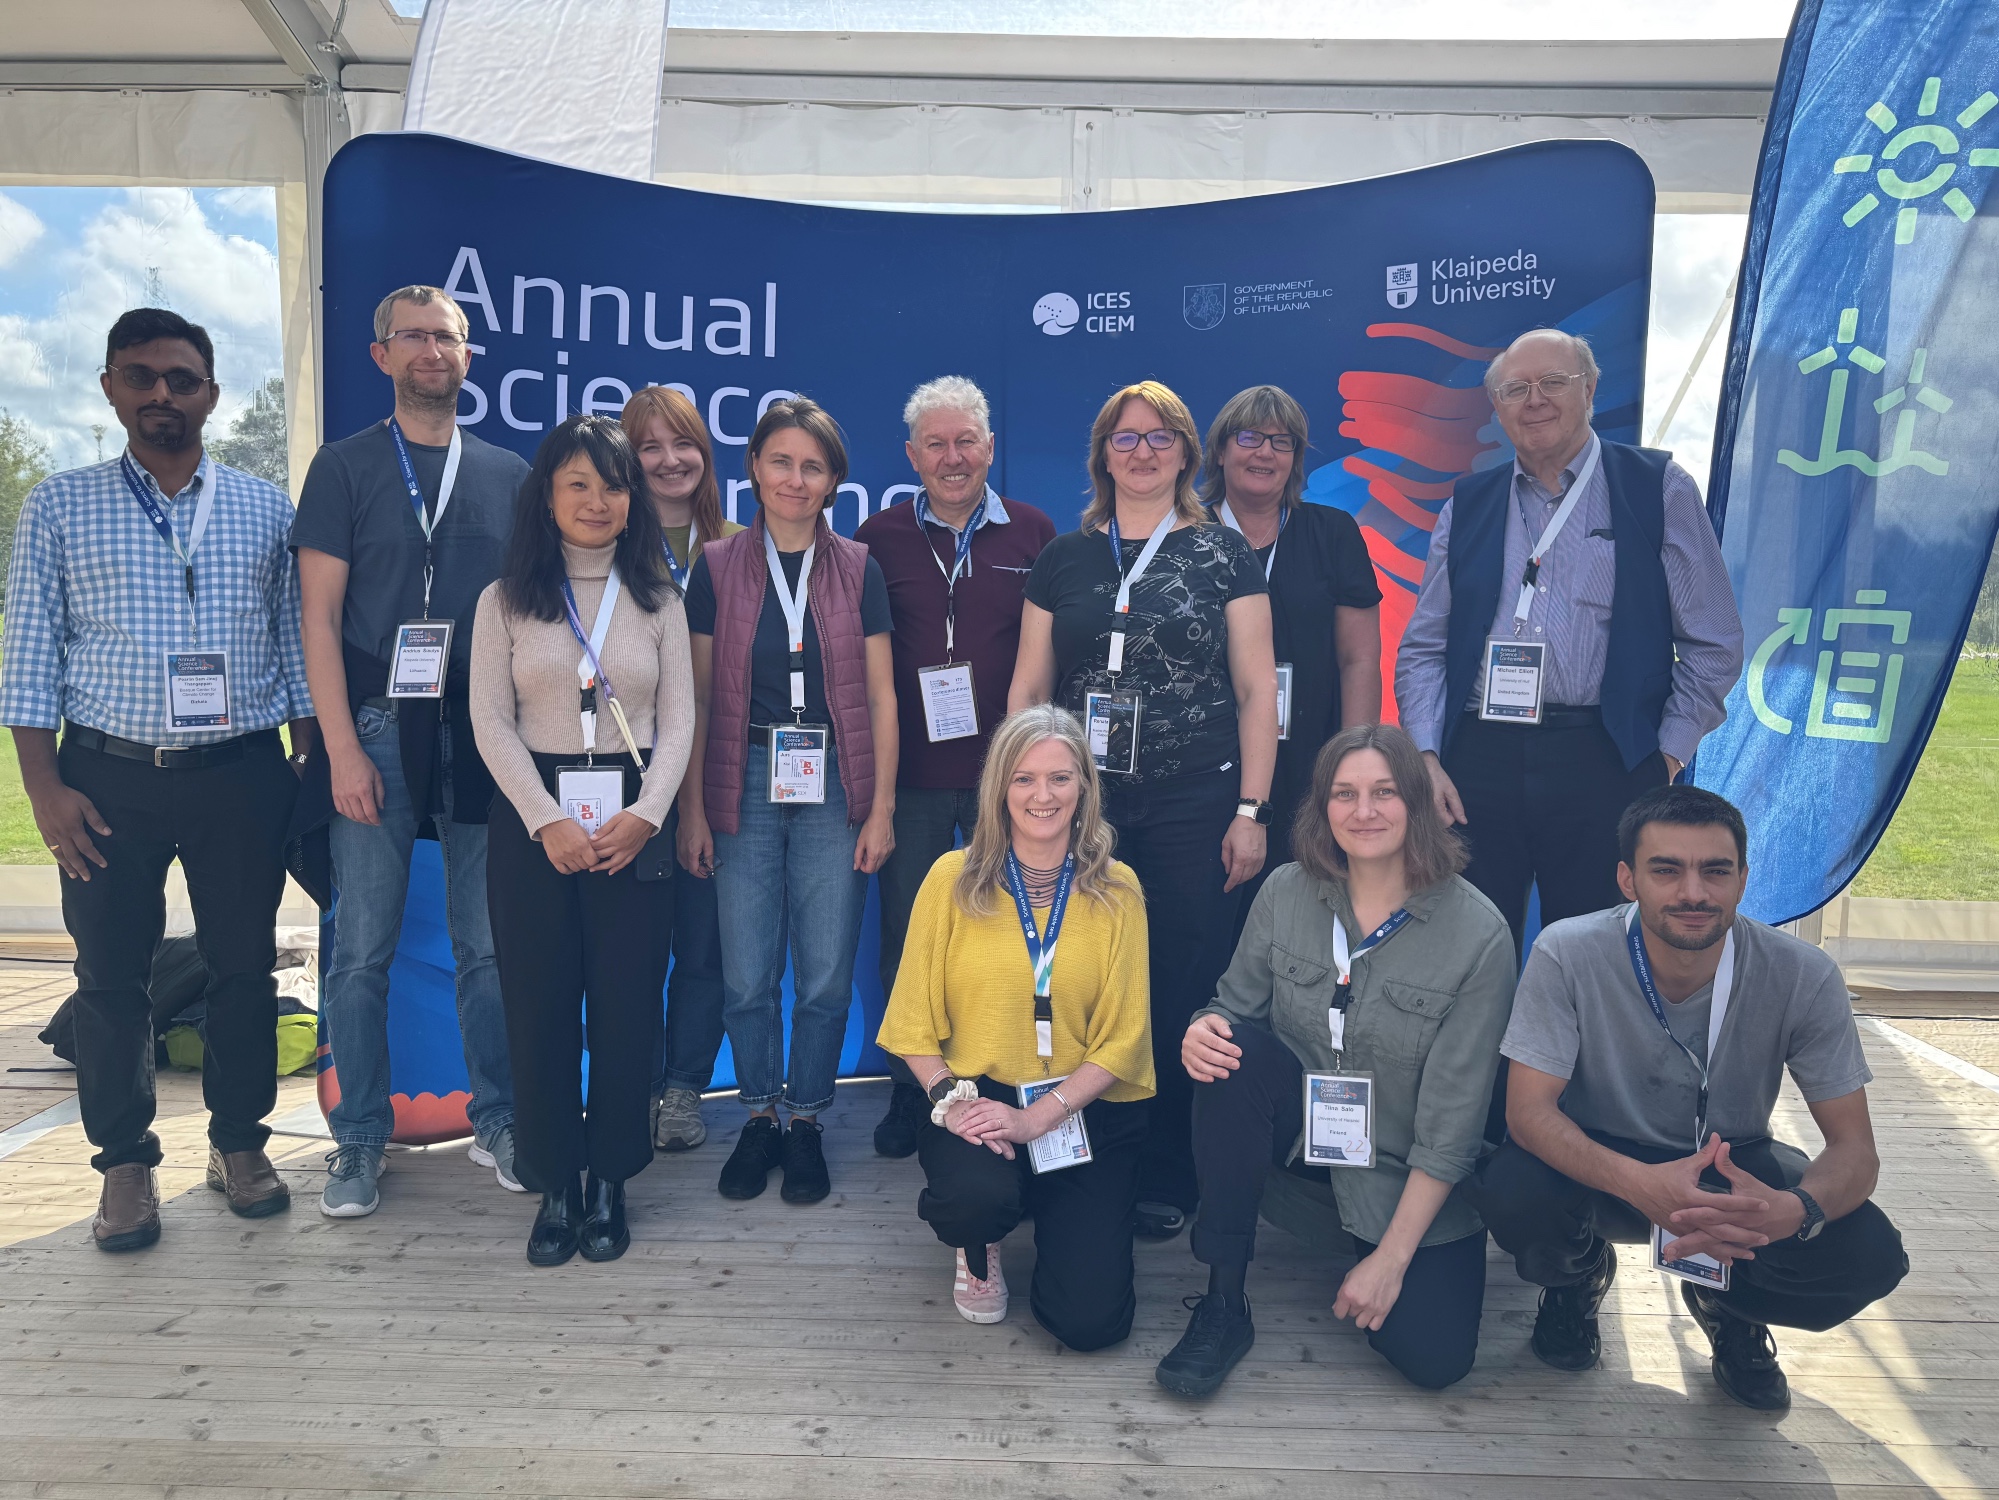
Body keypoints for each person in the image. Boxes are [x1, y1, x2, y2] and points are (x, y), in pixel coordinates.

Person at [1, 307, 316, 1249]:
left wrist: (307, 763)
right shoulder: (59, 506)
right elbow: (30, 657)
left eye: (181, 378)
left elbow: (294, 648)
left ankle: (239, 1144)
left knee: (243, 967)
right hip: (108, 778)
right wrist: (44, 790)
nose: (161, 394)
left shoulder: (265, 508)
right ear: (109, 387)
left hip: (241, 775)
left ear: (211, 393)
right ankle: (125, 1165)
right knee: (110, 977)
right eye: (140, 376)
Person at [1468, 785, 1908, 1412]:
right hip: (1600, 1161)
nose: (1693, 892)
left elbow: (1855, 1151)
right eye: (1667, 870)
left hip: (1728, 1162)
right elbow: (1528, 1112)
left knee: (1869, 1255)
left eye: (1716, 871)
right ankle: (1578, 1275)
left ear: (1743, 880)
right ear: (1628, 879)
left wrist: (1793, 1210)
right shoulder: (1568, 950)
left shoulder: (1803, 973)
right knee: (1512, 1189)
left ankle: (1730, 1303)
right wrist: (1640, 1183)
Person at [1163, 725, 1515, 1395]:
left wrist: (1391, 1260)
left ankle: (1381, 1254)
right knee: (1231, 1055)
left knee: (1435, 1362)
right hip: (1298, 1151)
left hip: (1396, 1175)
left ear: (1417, 802)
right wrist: (1201, 1029)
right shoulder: (1284, 891)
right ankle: (1222, 1301)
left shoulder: (1479, 935)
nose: (1364, 811)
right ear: (1321, 806)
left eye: (1384, 792)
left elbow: (1453, 1127)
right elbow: (1231, 1007)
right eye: (1344, 794)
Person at [1010, 379, 1279, 1240]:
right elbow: (1029, 688)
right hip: (1078, 808)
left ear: (1187, 453)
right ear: (1102, 454)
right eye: (1124, 438)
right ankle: (1081, 1150)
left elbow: (1255, 691)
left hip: (1195, 799)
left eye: (1160, 436)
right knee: (1077, 975)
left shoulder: (1223, 553)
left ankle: (1167, 1164)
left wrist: (1250, 809)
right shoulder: (1064, 557)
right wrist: (1018, 800)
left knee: (1177, 980)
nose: (1142, 451)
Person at [1394, 328, 1743, 956]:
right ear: (1497, 407)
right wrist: (1427, 757)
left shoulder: (1657, 488)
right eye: (1516, 389)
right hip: (1477, 761)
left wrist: (1663, 758)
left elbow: (1714, 642)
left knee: (1596, 952)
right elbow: (1424, 647)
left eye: (1553, 382)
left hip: (1604, 756)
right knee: (1466, 950)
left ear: (1589, 389)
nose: (1535, 400)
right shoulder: (1468, 503)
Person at [293, 285, 526, 1217]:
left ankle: (499, 1118)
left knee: (488, 946)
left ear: (468, 356)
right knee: (361, 950)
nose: (432, 351)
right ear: (381, 354)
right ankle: (358, 1137)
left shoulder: (509, 473)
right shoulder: (343, 467)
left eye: (448, 337)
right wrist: (340, 751)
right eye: (413, 336)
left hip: (481, 732)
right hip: (377, 729)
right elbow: (316, 618)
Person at [471, 415, 694, 1266]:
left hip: (633, 817)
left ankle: (611, 1179)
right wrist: (546, 819)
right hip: (535, 819)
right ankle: (555, 1181)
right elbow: (490, 722)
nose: (597, 501)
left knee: (627, 1007)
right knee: (539, 1007)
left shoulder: (659, 601)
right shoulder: (503, 601)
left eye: (613, 485)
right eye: (578, 484)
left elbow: (679, 723)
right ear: (547, 496)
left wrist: (648, 815)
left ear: (632, 500)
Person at [677, 397, 898, 1205]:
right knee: (746, 972)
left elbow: (880, 696)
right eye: (781, 462)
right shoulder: (715, 567)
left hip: (834, 779)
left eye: (812, 466)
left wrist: (880, 808)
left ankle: (805, 1118)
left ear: (833, 480)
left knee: (825, 973)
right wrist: (692, 810)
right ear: (753, 469)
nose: (795, 479)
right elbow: (698, 698)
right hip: (741, 774)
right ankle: (759, 1114)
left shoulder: (859, 567)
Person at [878, 705, 1153, 1348]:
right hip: (977, 1094)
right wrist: (951, 1101)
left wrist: (1036, 1120)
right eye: (1024, 778)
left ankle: (1052, 1205)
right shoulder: (951, 879)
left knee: (1090, 1324)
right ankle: (979, 1241)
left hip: (1079, 1104)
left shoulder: (1118, 889)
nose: (1042, 795)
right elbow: (911, 1019)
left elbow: (1125, 1037)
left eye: (1059, 778)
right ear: (999, 788)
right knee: (974, 1197)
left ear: (1084, 786)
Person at [856, 376, 1057, 1159]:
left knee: (1002, 936)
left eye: (965, 442)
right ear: (911, 456)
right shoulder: (876, 538)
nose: (951, 458)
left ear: (990, 449)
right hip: (907, 779)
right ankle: (914, 1091)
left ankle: (993, 1083)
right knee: (908, 938)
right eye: (935, 444)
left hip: (1005, 784)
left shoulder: (1034, 534)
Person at [620, 385, 744, 1155]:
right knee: (631, 948)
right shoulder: (604, 543)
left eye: (684, 443)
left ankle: (682, 1090)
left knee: (704, 948)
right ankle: (632, 1088)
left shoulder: (740, 546)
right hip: (627, 776)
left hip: (716, 775)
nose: (670, 460)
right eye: (650, 447)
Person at [1198, 384, 1381, 888]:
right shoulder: (1182, 537)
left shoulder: (1333, 533)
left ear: (1296, 459)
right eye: (1250, 437)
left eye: (1282, 442)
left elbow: (1358, 661)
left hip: (1310, 763)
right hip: (1204, 763)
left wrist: (1354, 765)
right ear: (1220, 450)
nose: (1265, 452)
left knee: (1305, 908)